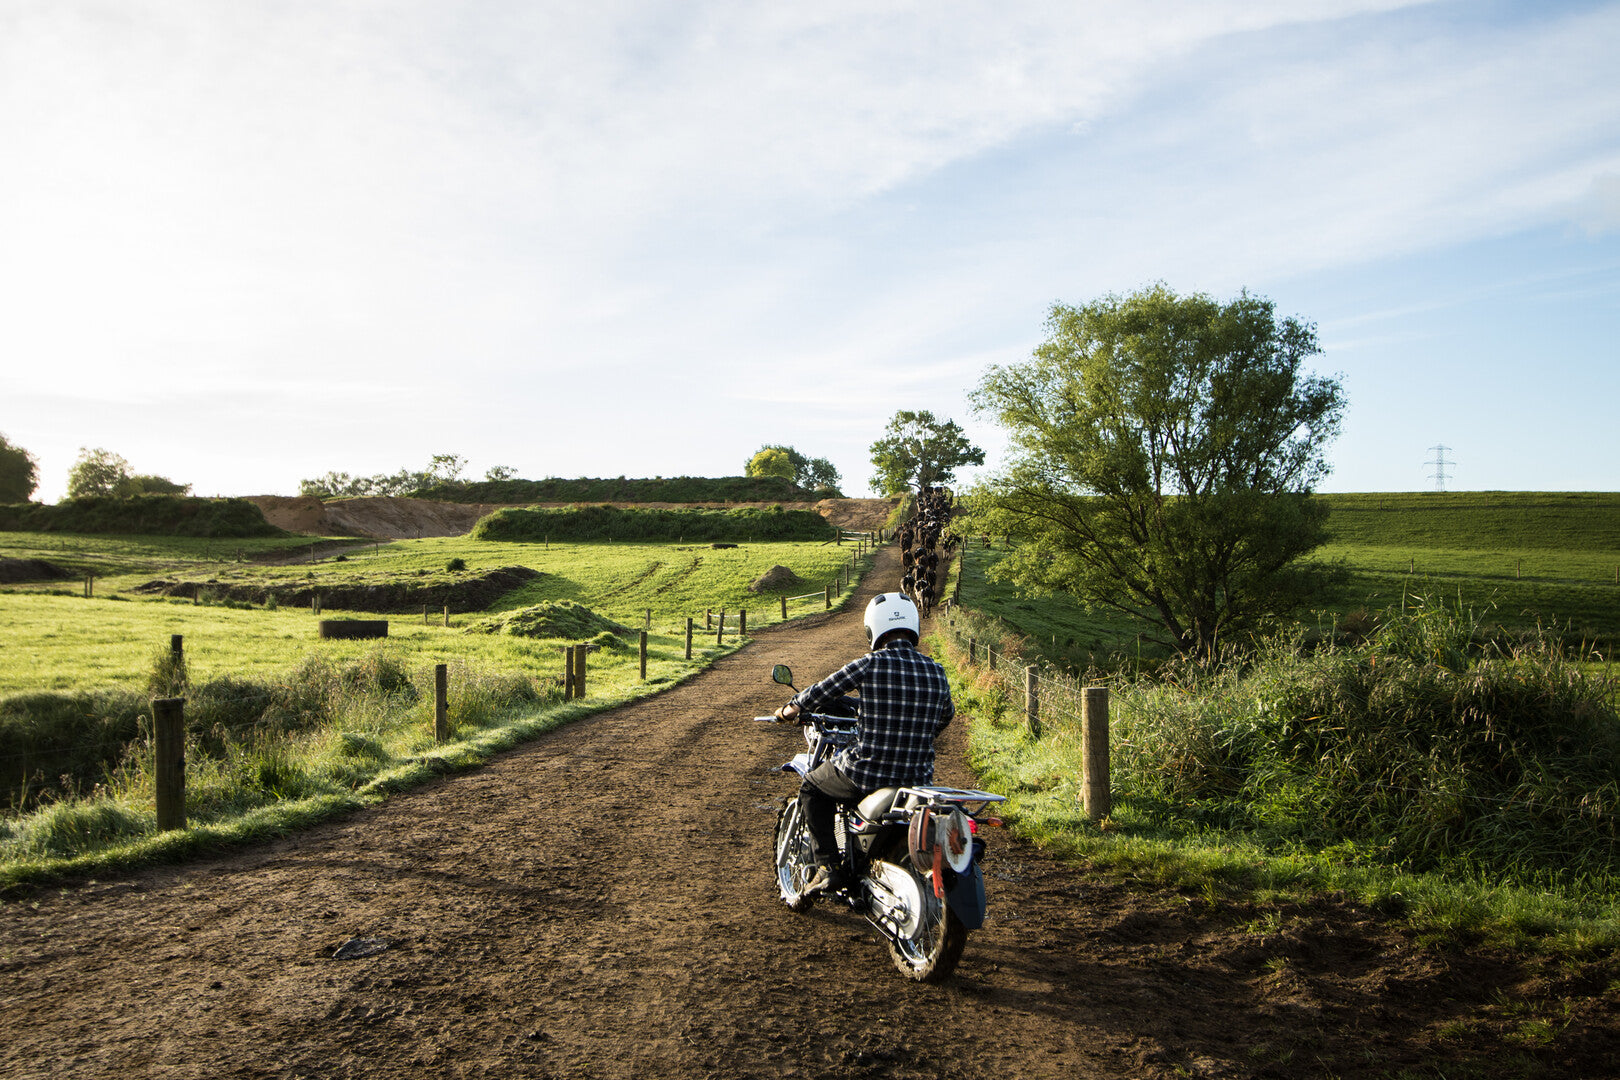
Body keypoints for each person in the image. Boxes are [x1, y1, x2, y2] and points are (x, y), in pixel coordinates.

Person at [773, 592, 955, 894]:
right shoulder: (936, 671)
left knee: (812, 788)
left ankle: (828, 867)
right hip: (918, 779)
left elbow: (822, 691)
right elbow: (945, 715)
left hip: (868, 772)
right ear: (913, 626)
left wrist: (789, 709)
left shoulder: (870, 663)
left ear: (874, 628)